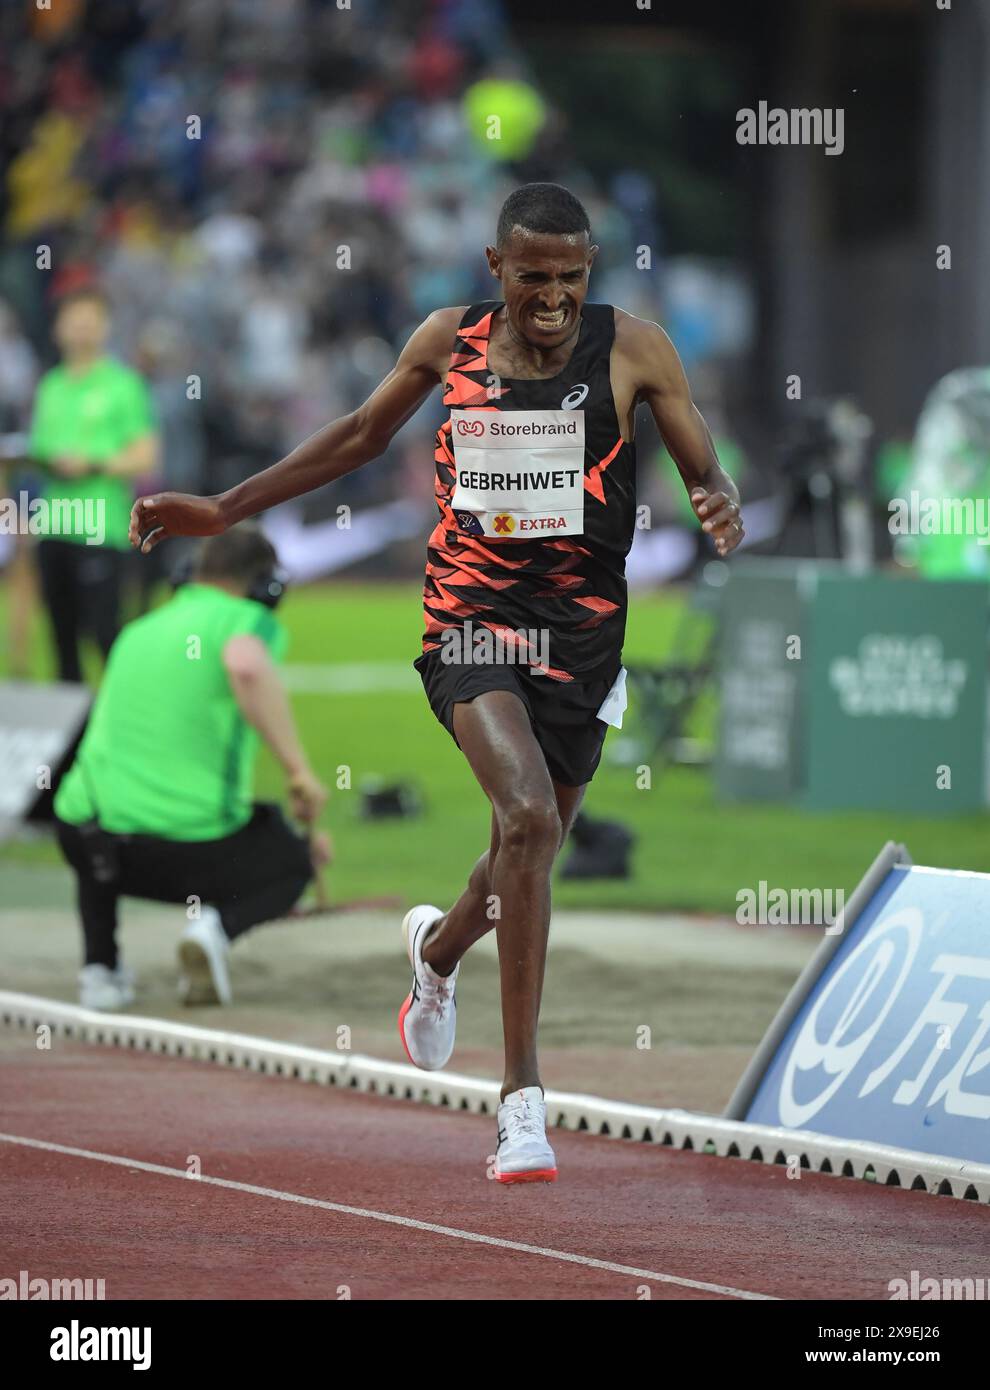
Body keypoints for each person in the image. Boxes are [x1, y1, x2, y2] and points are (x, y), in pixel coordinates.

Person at [129, 183, 744, 1183]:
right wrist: (225, 506)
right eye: (534, 276)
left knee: (516, 850)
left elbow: (701, 462)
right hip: (468, 624)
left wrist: (716, 497)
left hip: (582, 641)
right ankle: (523, 1105)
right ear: (496, 269)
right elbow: (361, 433)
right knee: (531, 823)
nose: (553, 297)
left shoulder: (635, 348)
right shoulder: (446, 339)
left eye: (572, 277)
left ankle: (439, 951)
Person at [53, 524, 329, 1011]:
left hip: (88, 839)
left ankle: (100, 968)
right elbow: (245, 665)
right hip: (184, 850)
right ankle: (213, 929)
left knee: (94, 809)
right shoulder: (245, 620)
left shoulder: (137, 630)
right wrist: (298, 771)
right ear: (268, 587)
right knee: (294, 859)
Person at [28, 287, 159, 681]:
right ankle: (73, 740)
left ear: (105, 328)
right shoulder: (50, 386)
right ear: (58, 329)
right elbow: (40, 450)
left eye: (90, 321)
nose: (82, 330)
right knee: (61, 642)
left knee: (105, 636)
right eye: (74, 321)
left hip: (99, 528)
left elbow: (146, 456)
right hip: (53, 526)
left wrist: (95, 463)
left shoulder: (123, 385)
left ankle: (124, 725)